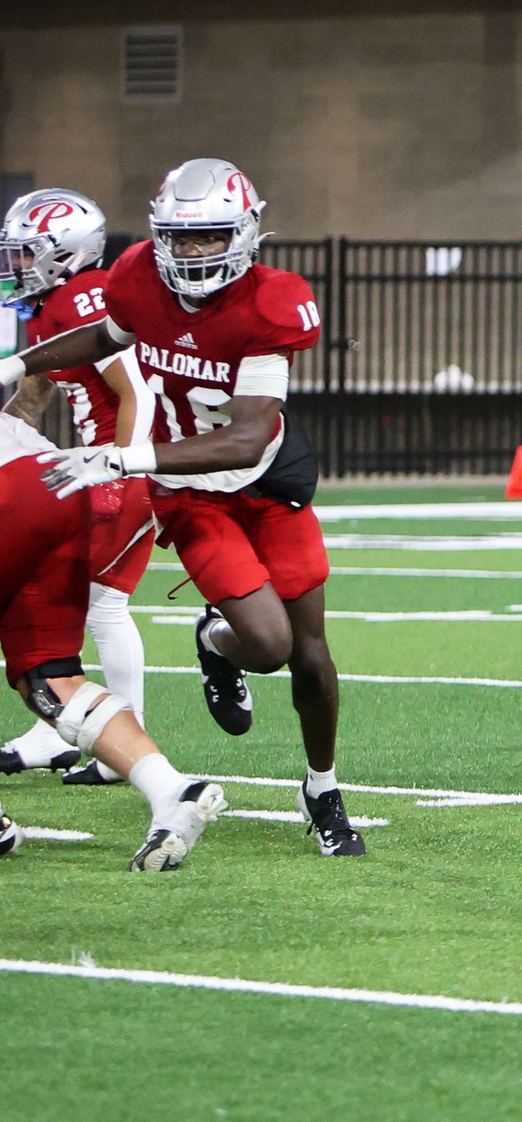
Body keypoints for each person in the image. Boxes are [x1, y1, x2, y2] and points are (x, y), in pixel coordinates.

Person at [0, 157, 364, 856]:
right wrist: (21, 363)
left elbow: (250, 432)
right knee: (266, 646)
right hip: (191, 493)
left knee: (310, 653)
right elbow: (108, 338)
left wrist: (124, 456)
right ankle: (215, 642)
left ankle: (322, 788)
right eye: (182, 237)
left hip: (263, 480)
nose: (194, 251)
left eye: (211, 237)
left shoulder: (272, 301)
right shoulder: (137, 276)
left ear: (248, 234)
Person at [0, 378, 226, 869]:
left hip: (12, 495)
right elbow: (32, 397)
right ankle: (171, 790)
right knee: (51, 678)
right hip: (51, 480)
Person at [0, 190, 157, 785]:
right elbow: (32, 400)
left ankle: (123, 742)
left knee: (102, 604)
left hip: (120, 465)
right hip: (88, 467)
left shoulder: (82, 297)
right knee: (54, 603)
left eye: (27, 254)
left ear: (65, 254)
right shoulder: (45, 306)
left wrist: (124, 467)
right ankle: (54, 732)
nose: (14, 266)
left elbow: (136, 392)